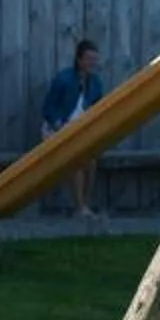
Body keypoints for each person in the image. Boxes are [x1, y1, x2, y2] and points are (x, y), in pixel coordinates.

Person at [39, 37, 106, 218]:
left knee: (91, 161)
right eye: (89, 59)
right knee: (75, 158)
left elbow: (99, 108)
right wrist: (59, 124)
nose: (93, 63)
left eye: (95, 59)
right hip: (57, 128)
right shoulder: (64, 79)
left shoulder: (95, 83)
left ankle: (84, 205)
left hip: (78, 131)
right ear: (79, 60)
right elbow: (48, 109)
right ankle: (79, 207)